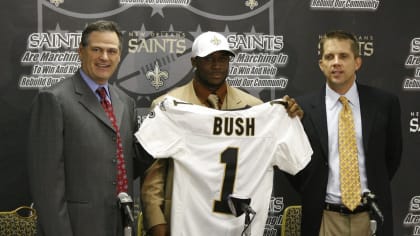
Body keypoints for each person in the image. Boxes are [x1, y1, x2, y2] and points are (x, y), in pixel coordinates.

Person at [140, 31, 303, 236]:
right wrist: (157, 223)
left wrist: (289, 120)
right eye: (209, 59)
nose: (217, 65)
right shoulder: (168, 106)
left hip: (235, 224)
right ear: (194, 62)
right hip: (183, 222)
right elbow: (152, 177)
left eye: (223, 58)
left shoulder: (254, 108)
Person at [27, 20, 142, 236]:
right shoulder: (53, 100)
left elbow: (124, 164)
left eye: (111, 51)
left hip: (120, 225)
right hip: (77, 228)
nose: (104, 57)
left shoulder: (125, 102)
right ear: (81, 51)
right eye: (96, 49)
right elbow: (46, 187)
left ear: (119, 55)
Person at [292, 30, 402, 235]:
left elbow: (392, 157)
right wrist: (313, 190)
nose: (336, 62)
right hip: (324, 218)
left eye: (343, 56)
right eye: (329, 57)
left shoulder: (384, 103)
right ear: (321, 65)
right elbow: (293, 165)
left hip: (370, 217)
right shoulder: (302, 108)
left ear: (357, 62)